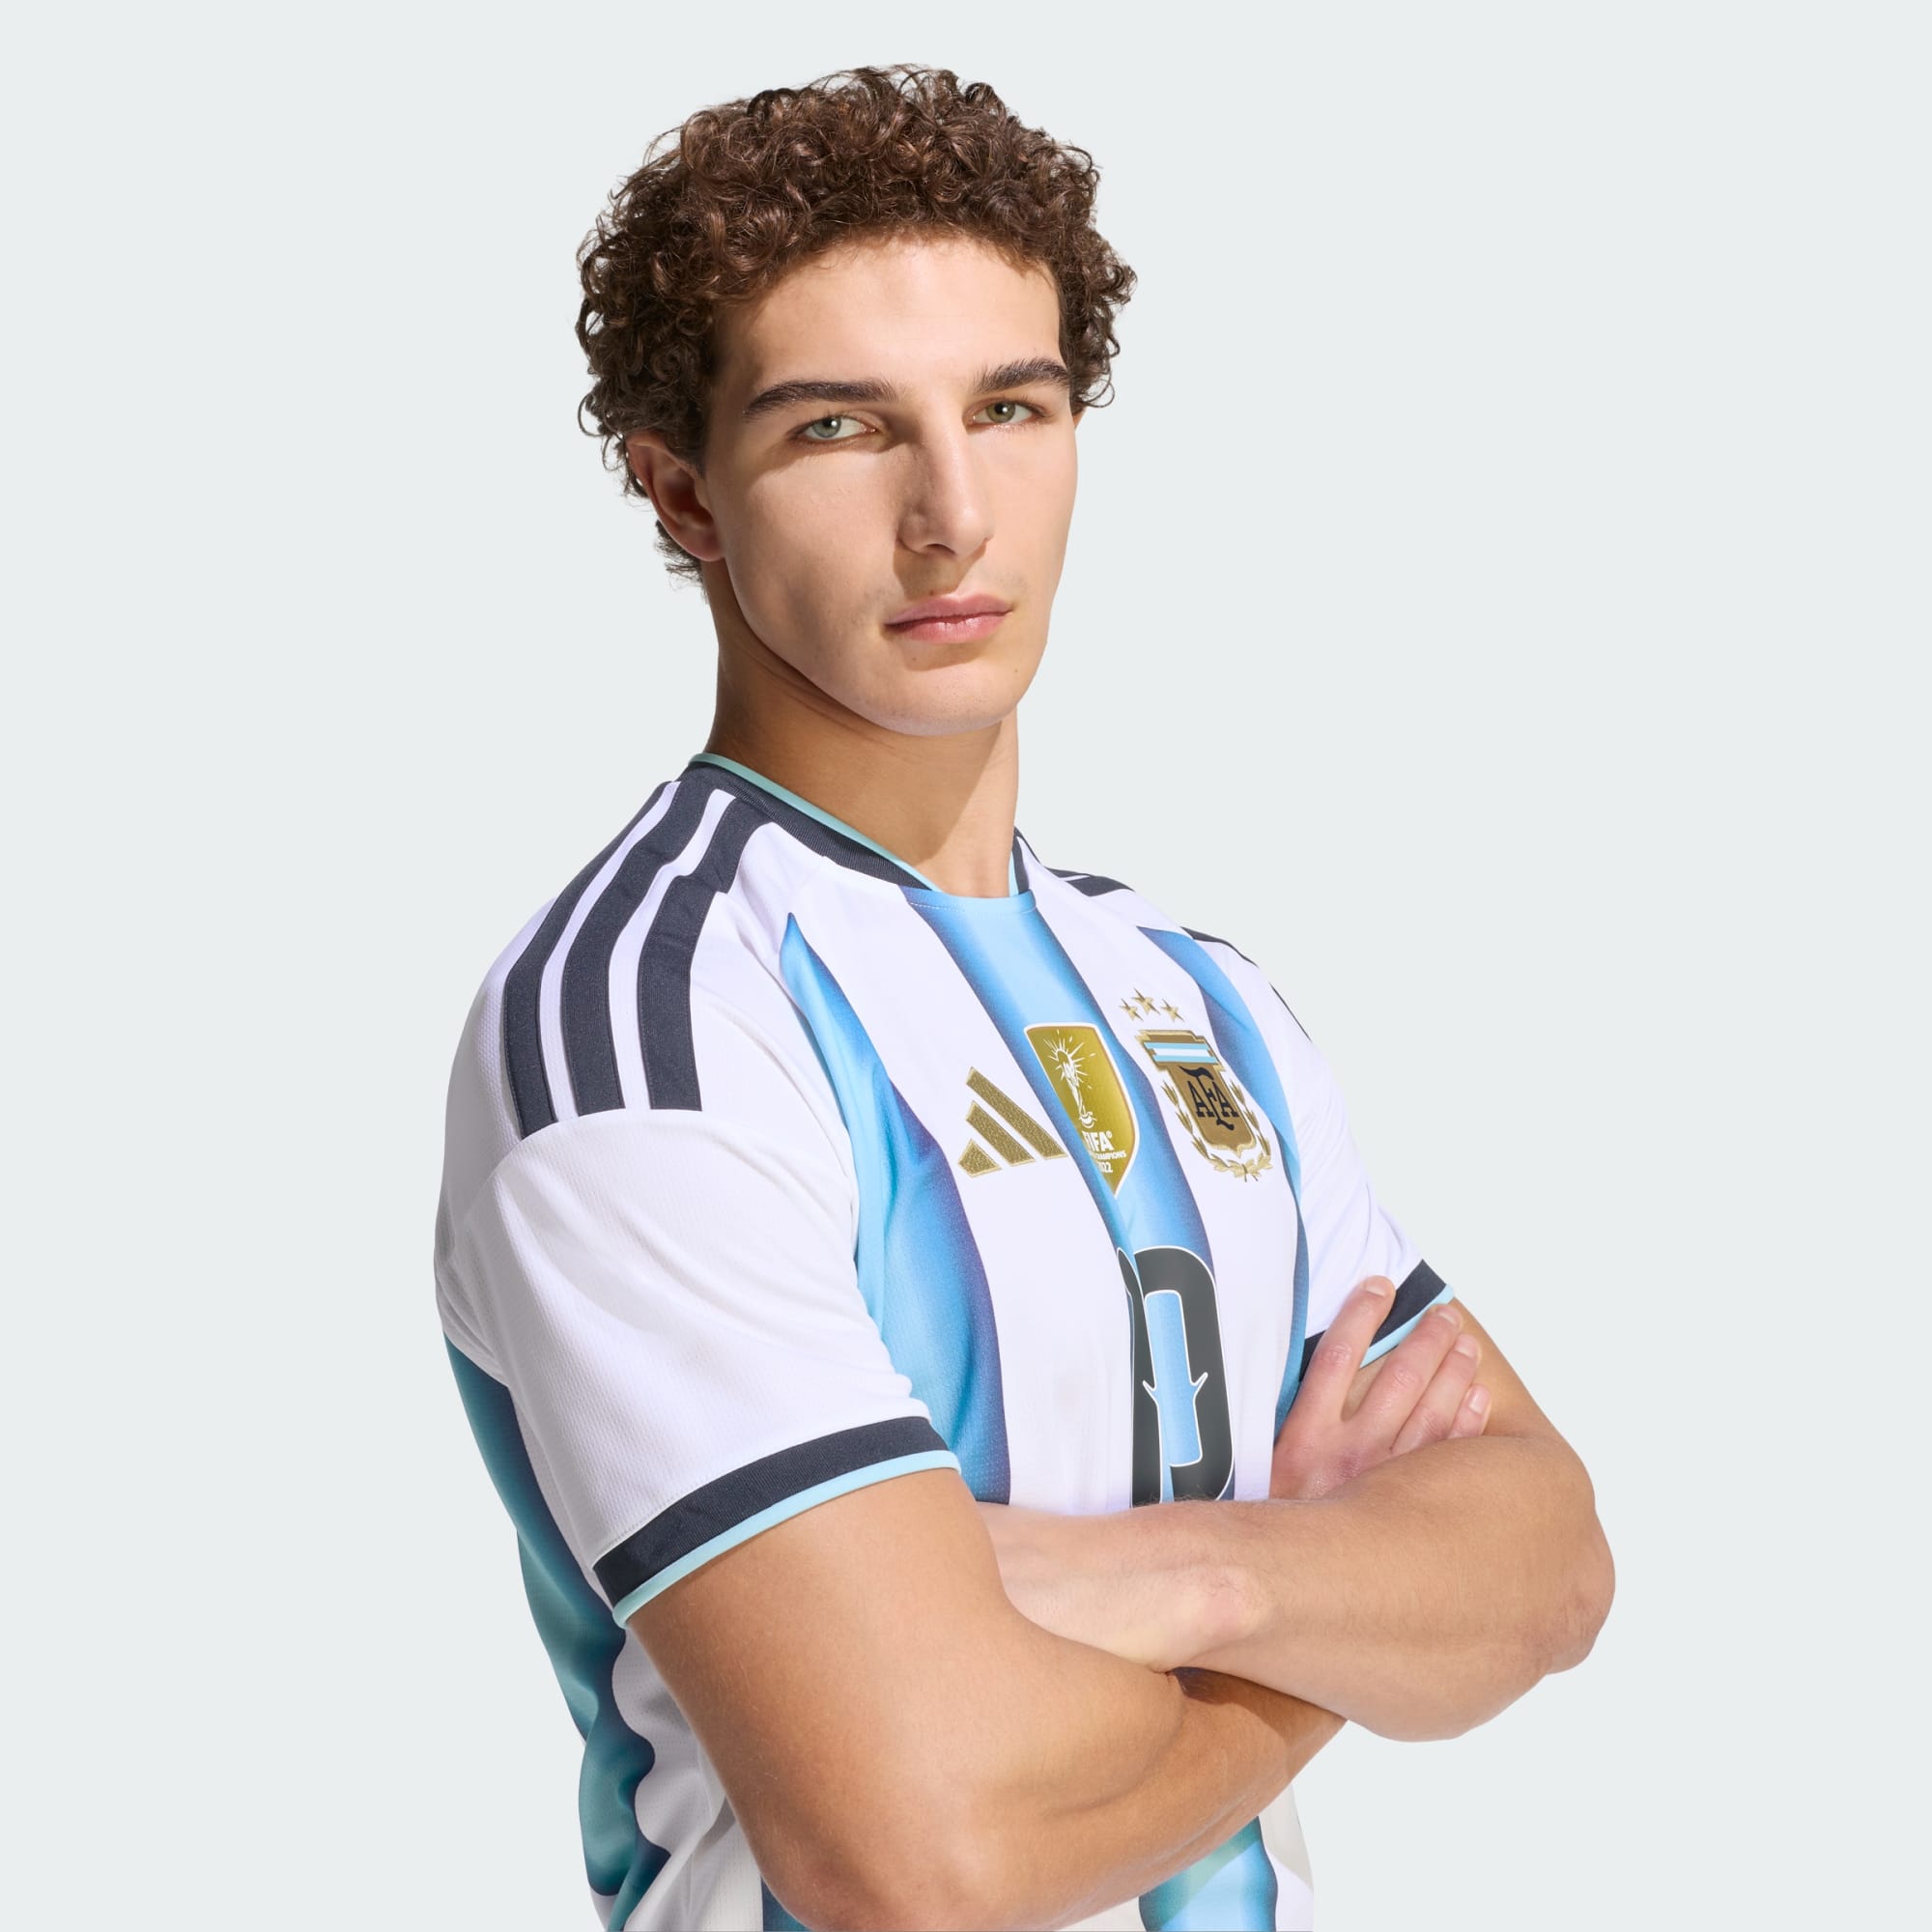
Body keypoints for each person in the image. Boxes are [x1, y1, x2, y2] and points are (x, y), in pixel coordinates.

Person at [433, 64, 1614, 1932]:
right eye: (841, 428)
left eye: (1012, 407)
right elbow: (921, 1852)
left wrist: (1190, 1578)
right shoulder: (648, 1021)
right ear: (683, 492)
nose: (953, 513)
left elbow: (1547, 1568)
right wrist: (1329, 1623)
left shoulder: (1199, 998)